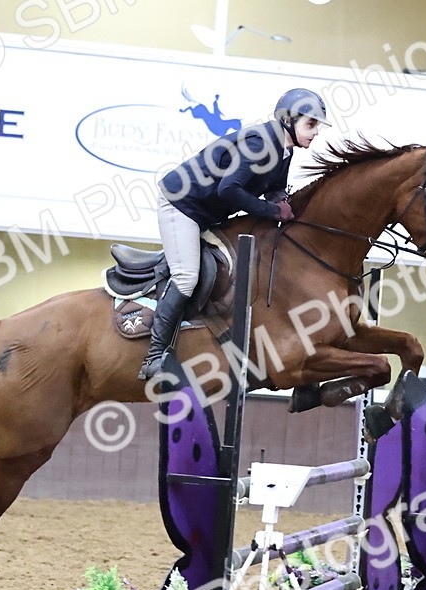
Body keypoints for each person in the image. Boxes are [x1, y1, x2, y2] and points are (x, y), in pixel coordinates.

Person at [136, 87, 328, 380]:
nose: (315, 133)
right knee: (187, 276)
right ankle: (153, 357)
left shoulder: (285, 148)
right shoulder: (260, 144)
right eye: (311, 124)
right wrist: (274, 211)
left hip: (206, 211)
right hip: (182, 204)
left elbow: (273, 186)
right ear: (289, 120)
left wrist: (281, 201)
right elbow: (229, 189)